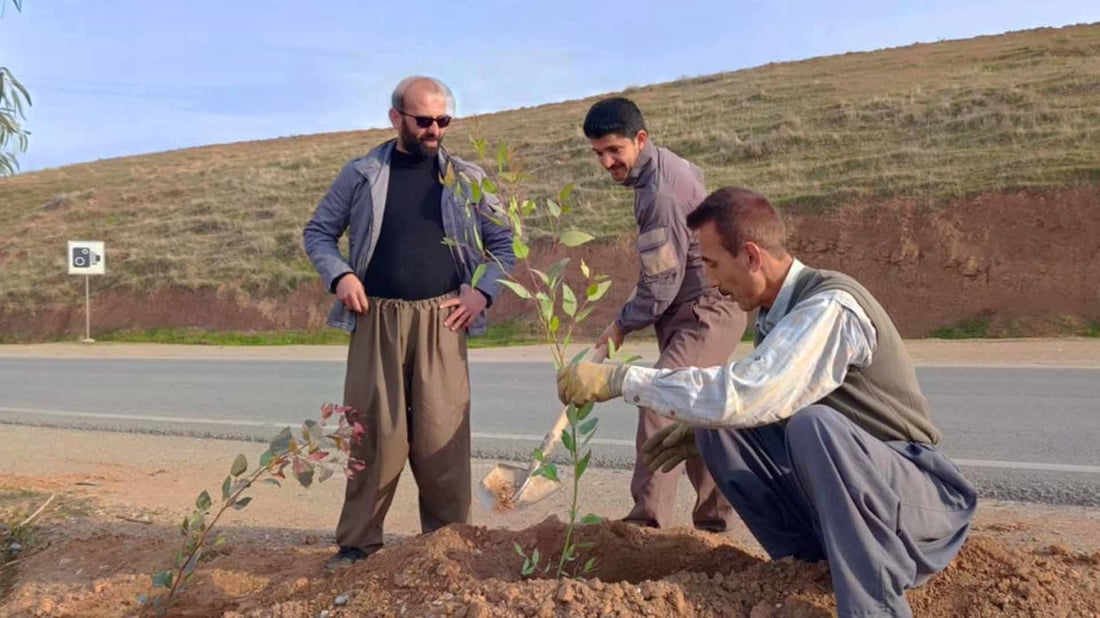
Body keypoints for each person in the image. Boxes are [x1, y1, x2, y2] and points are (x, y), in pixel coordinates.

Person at [556, 187, 977, 617]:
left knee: (813, 427)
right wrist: (703, 426)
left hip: (921, 506)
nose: (715, 284)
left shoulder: (830, 307)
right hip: (865, 506)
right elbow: (757, 403)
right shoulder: (776, 316)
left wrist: (622, 378)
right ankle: (809, 568)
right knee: (722, 429)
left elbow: (748, 392)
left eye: (715, 266)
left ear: (752, 257)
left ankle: (876, 608)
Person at [303, 76, 516, 571]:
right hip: (374, 317)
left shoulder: (467, 178)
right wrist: (341, 276)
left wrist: (482, 290)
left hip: (442, 319)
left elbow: (505, 245)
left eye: (444, 121)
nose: (435, 129)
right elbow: (318, 233)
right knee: (374, 435)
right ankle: (358, 543)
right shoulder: (361, 174)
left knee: (444, 437)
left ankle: (450, 545)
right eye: (424, 120)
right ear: (396, 117)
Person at [581, 96, 746, 532]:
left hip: (704, 310)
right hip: (691, 308)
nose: (607, 163)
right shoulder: (665, 168)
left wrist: (619, 326)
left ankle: (646, 526)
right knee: (696, 412)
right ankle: (716, 523)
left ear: (640, 139)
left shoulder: (659, 194)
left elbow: (660, 286)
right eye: (599, 153)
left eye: (615, 150)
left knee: (659, 399)